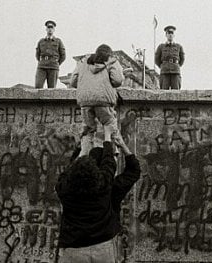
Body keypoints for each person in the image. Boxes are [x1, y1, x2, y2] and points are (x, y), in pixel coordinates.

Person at [55, 135, 141, 263]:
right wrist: (123, 146)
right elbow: (134, 171)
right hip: (103, 248)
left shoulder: (66, 190)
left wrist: (81, 149)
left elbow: (69, 173)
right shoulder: (111, 188)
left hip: (73, 249)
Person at [69, 44, 124, 155]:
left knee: (88, 131)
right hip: (104, 101)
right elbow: (117, 81)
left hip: (85, 101)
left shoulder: (84, 61)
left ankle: (83, 158)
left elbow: (73, 82)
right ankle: (112, 155)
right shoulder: (112, 61)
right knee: (110, 126)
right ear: (109, 53)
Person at [35, 20, 66, 89]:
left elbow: (63, 56)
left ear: (54, 29)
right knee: (38, 86)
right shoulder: (41, 41)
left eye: (51, 27)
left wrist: (56, 63)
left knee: (51, 89)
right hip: (42, 66)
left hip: (53, 67)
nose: (50, 29)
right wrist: (42, 61)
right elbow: (37, 54)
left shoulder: (58, 41)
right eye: (48, 27)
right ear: (46, 29)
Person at [155, 25, 185, 90]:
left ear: (174, 35)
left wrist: (176, 65)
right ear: (166, 35)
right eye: (169, 33)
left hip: (175, 72)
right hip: (164, 72)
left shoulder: (179, 46)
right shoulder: (161, 47)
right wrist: (163, 66)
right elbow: (157, 59)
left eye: (172, 33)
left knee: (176, 93)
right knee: (163, 92)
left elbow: (182, 59)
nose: (170, 35)